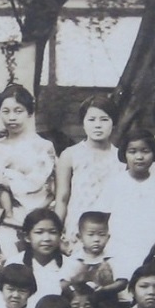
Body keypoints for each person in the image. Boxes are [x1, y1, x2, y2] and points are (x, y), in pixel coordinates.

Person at [100, 129, 155, 273]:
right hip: (119, 250)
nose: (139, 157)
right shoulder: (115, 183)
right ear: (124, 154)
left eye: (145, 151)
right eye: (132, 151)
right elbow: (104, 219)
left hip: (150, 250)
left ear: (154, 153)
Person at [0, 84, 58, 238]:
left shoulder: (44, 146)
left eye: (18, 111)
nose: (11, 117)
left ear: (30, 113)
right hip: (4, 219)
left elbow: (50, 187)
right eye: (5, 111)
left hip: (40, 218)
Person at [53, 95, 122, 227]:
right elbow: (62, 199)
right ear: (83, 123)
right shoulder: (70, 155)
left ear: (113, 123)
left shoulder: (121, 158)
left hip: (112, 227)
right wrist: (57, 230)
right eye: (91, 119)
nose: (98, 125)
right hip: (77, 225)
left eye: (104, 120)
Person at [67, 212, 126, 308]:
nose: (96, 239)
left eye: (101, 234)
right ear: (80, 237)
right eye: (91, 234)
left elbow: (122, 282)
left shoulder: (112, 259)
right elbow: (65, 283)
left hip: (108, 307)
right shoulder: (75, 260)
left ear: (108, 237)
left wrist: (104, 290)